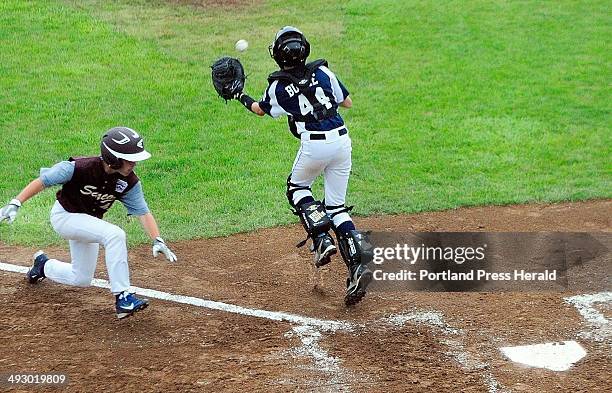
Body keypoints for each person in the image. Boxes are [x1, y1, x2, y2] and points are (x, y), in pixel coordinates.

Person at [232, 26, 372, 306]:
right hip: (343, 142)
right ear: (305, 48)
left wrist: (239, 95)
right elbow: (347, 102)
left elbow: (261, 110)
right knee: (336, 207)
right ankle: (357, 266)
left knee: (297, 187)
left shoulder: (277, 86)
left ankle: (321, 238)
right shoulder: (324, 72)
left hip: (315, 146)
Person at [0, 127, 177, 319]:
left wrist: (157, 239)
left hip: (87, 222)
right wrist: (16, 202)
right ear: (113, 158)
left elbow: (143, 212)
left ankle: (42, 266)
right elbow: (43, 181)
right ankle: (123, 297)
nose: (134, 164)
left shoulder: (129, 182)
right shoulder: (78, 167)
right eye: (130, 159)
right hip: (64, 217)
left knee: (81, 278)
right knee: (115, 234)